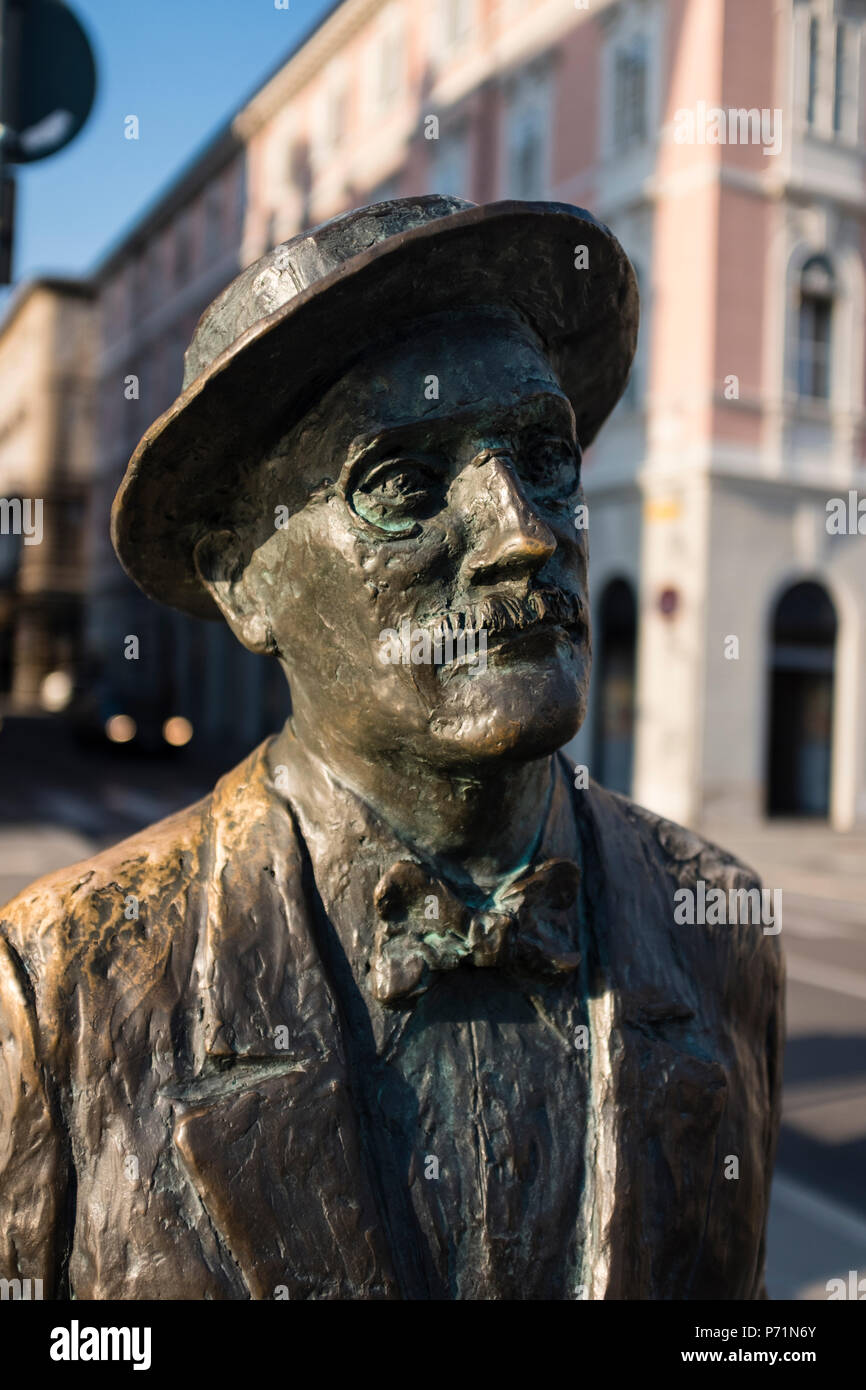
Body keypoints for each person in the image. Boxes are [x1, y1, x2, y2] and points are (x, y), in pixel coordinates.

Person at [0, 196, 782, 1299]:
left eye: (541, 454)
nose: (522, 533)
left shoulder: (721, 935)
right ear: (241, 581)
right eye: (403, 485)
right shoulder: (60, 987)